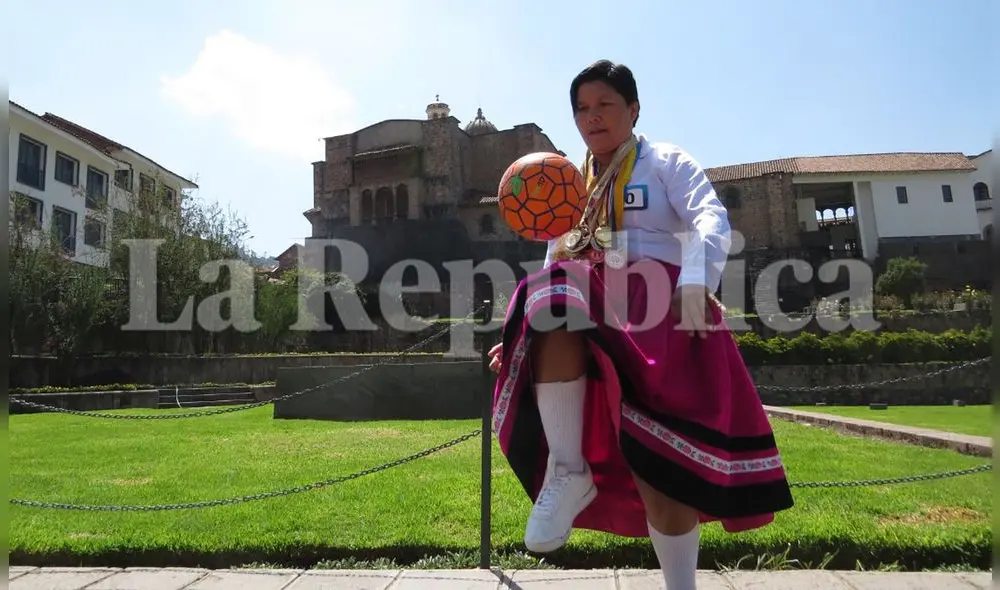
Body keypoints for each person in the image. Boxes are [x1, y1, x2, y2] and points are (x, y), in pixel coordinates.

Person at [487, 60, 794, 590]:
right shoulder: (565, 180)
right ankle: (567, 471)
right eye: (582, 109)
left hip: (660, 314)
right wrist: (522, 336)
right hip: (591, 304)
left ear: (633, 109)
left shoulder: (666, 160)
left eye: (605, 104)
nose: (592, 117)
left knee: (663, 472)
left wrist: (697, 281)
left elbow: (709, 217)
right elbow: (554, 259)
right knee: (551, 298)